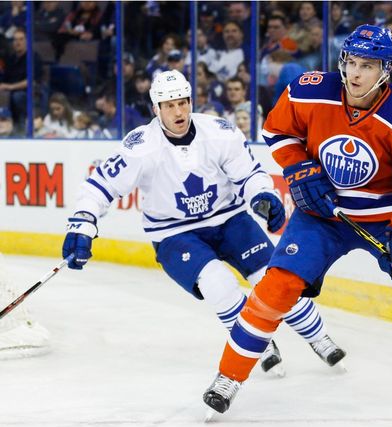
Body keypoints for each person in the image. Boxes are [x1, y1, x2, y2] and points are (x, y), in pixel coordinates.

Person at [203, 25, 392, 419]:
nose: (354, 73)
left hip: (388, 219)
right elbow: (277, 129)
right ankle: (228, 377)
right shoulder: (310, 89)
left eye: (366, 65)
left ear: (385, 70)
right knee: (275, 288)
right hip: (323, 216)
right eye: (350, 62)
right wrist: (299, 169)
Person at [61, 70, 346, 377]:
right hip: (174, 232)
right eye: (168, 105)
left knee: (274, 280)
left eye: (182, 102)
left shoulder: (219, 132)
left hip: (230, 219)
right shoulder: (140, 147)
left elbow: (249, 175)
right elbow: (99, 187)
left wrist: (262, 195)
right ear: (155, 109)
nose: (178, 111)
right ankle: (258, 345)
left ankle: (319, 338)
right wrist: (83, 222)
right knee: (218, 284)